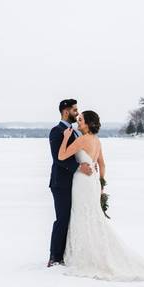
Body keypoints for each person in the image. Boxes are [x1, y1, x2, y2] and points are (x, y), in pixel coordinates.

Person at [56, 109, 144, 281]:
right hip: (93, 183)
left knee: (82, 215)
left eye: (81, 120)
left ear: (88, 124)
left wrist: (66, 138)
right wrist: (101, 185)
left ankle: (86, 255)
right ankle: (95, 250)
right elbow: (102, 165)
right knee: (93, 216)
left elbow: (61, 155)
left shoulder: (81, 140)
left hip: (82, 182)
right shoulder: (97, 141)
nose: (78, 122)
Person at [47, 99, 93, 266]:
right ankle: (55, 257)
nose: (77, 112)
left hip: (74, 184)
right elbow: (58, 159)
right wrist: (79, 168)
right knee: (62, 219)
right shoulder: (56, 131)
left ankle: (67, 254)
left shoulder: (74, 131)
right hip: (60, 183)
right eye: (74, 110)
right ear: (65, 111)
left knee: (71, 218)